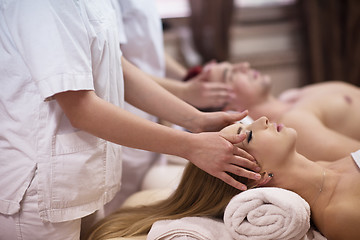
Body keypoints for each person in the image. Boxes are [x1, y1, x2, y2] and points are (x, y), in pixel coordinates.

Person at [0, 1, 260, 239]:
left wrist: (197, 121)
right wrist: (190, 145)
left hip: (81, 178)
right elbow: (81, 109)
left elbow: (115, 65)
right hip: (39, 187)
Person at [87, 117, 360, 240]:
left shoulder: (331, 165)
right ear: (258, 176)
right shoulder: (341, 214)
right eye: (250, 135)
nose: (263, 119)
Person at [110, 0, 239, 212]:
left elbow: (147, 48)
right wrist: (186, 94)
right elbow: (115, 67)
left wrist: (187, 79)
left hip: (149, 112)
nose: (241, 67)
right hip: (124, 115)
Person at [189, 61, 360, 161]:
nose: (244, 65)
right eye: (231, 74)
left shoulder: (290, 96)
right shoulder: (293, 127)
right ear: (229, 109)